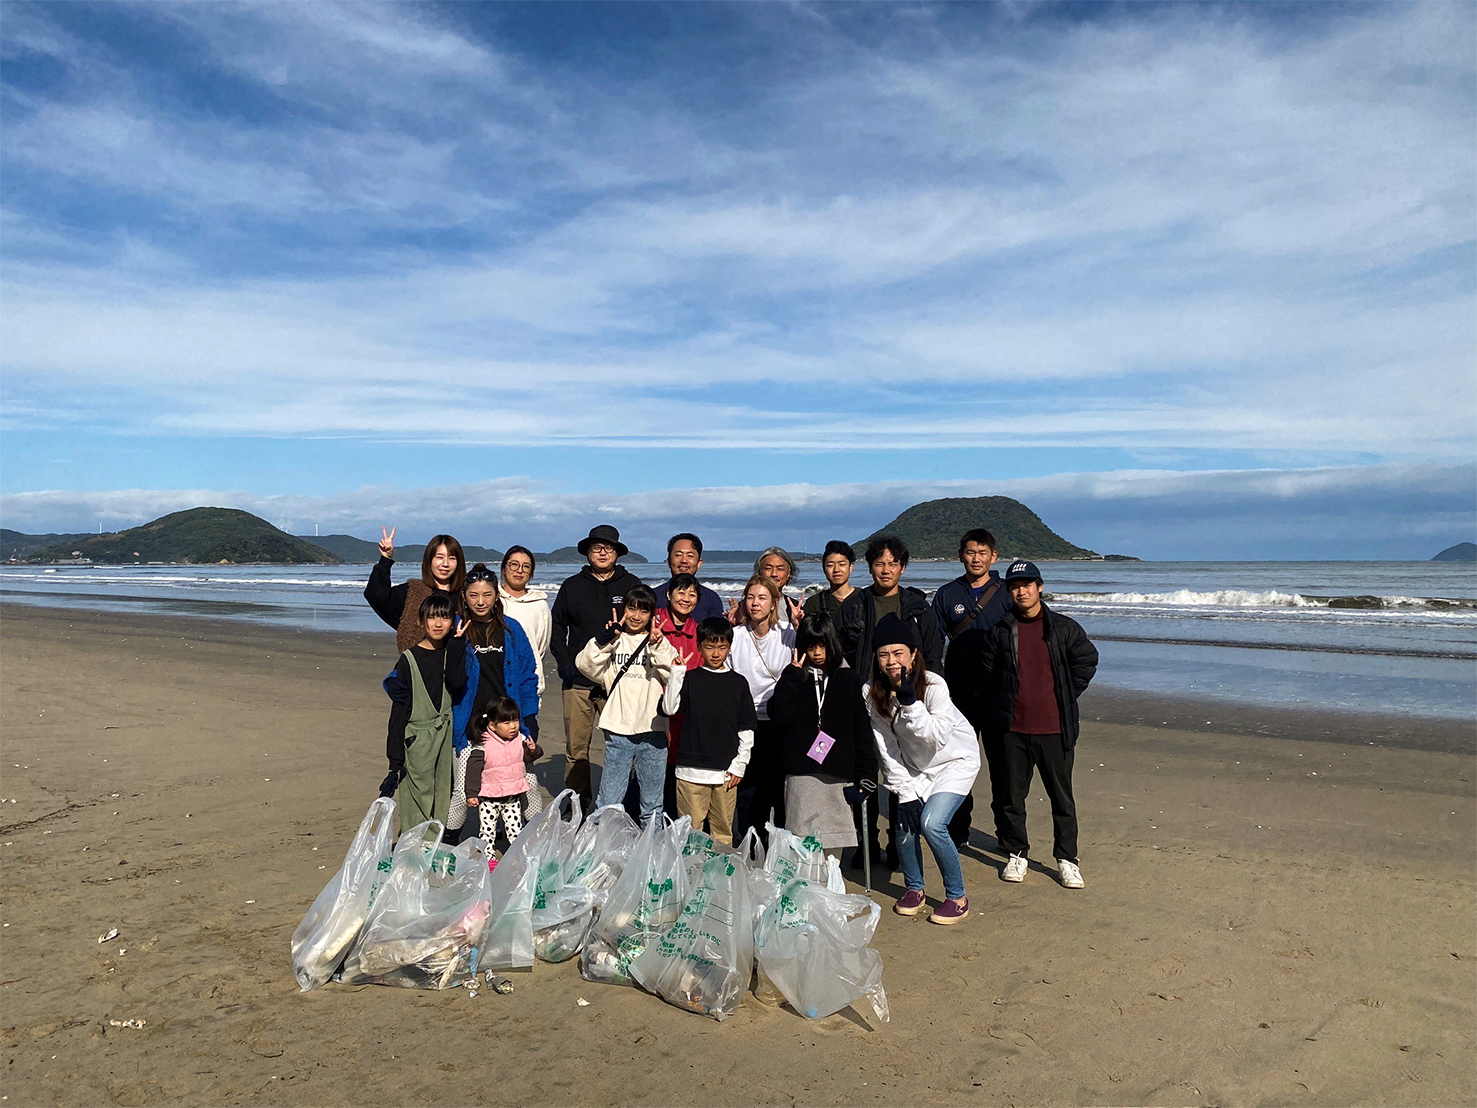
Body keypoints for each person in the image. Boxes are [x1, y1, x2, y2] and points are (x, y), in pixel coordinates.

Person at [975, 560, 1099, 889]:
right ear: (1010, 591)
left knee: (1062, 799)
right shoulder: (1001, 631)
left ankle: (1067, 859)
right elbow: (986, 676)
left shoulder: (1063, 627)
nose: (1022, 590)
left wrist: (1065, 693)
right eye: (1016, 586)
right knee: (1011, 797)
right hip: (1013, 729)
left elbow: (1087, 659)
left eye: (1028, 584)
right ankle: (1017, 853)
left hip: (1056, 729)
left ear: (1040, 587)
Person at [864, 614, 979, 924]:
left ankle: (957, 896)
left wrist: (910, 702)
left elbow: (934, 739)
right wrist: (905, 792)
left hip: (955, 761)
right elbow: (886, 747)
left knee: (931, 823)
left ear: (913, 654)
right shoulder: (871, 692)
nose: (891, 661)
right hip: (915, 767)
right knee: (904, 820)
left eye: (898, 652)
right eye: (884, 653)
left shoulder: (933, 685)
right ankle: (915, 889)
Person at [837, 535, 944, 867]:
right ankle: (866, 845)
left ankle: (900, 845)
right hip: (865, 701)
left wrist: (926, 697)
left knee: (904, 774)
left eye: (892, 563)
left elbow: (933, 653)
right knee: (865, 772)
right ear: (869, 567)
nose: (886, 570)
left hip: (906, 702)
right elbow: (837, 654)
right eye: (879, 563)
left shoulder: (916, 607)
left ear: (902, 567)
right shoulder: (854, 605)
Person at [550, 525, 644, 810]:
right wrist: (565, 664)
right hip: (578, 682)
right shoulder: (572, 586)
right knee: (577, 750)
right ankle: (577, 805)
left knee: (623, 749)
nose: (602, 552)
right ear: (588, 553)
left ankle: (618, 806)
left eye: (608, 548)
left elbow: (644, 626)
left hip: (619, 681)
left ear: (617, 553)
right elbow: (556, 627)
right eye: (596, 548)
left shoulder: (631, 584)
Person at [447, 563, 540, 843]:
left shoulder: (511, 630)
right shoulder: (457, 628)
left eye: (487, 594)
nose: (480, 602)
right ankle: (449, 841)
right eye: (474, 595)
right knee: (464, 792)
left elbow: (527, 675)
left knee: (527, 785)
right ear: (464, 596)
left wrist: (528, 719)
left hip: (508, 725)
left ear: (496, 595)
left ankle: (536, 838)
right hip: (470, 725)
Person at [767, 613, 875, 858]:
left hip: (837, 771)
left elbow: (861, 728)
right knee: (800, 843)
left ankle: (831, 892)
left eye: (823, 645)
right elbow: (778, 716)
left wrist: (867, 773)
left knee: (834, 845)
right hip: (801, 770)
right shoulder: (795, 676)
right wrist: (792, 678)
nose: (817, 652)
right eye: (811, 645)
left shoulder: (847, 678)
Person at [935, 528, 1016, 850]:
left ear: (994, 557)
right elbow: (932, 643)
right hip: (959, 692)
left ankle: (1010, 840)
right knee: (959, 764)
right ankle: (958, 832)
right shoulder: (947, 594)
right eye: (970, 552)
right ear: (961, 555)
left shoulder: (1008, 592)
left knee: (1005, 769)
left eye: (983, 553)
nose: (976, 558)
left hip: (1000, 694)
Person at [577, 584, 677, 822]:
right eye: (631, 608)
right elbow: (585, 665)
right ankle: (600, 849)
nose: (636, 616)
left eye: (643, 611)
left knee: (652, 805)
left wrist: (657, 646)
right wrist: (604, 640)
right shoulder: (615, 640)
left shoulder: (658, 642)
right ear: (624, 609)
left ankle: (650, 852)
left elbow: (673, 676)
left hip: (653, 729)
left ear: (652, 614)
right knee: (609, 801)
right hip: (618, 728)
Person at [660, 618, 757, 845]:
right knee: (690, 833)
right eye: (710, 647)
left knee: (722, 833)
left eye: (722, 647)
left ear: (729, 647)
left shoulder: (738, 683)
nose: (716, 653)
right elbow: (669, 708)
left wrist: (739, 765)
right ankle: (690, 876)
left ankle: (717, 878)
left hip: (726, 772)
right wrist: (676, 673)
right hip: (690, 771)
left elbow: (746, 728)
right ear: (700, 646)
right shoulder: (690, 679)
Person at [379, 592, 468, 832]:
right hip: (416, 738)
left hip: (445, 737)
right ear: (420, 621)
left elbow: (457, 682)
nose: (438, 624)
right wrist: (394, 763)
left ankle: (432, 853)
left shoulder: (454, 651)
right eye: (432, 618)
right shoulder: (409, 660)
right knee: (416, 799)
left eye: (445, 618)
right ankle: (411, 854)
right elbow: (398, 712)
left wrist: (458, 643)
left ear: (453, 621)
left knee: (442, 797)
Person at [727, 575, 797, 844]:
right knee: (746, 789)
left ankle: (779, 846)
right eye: (751, 597)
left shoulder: (788, 635)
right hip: (746, 722)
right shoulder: (735, 636)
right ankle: (747, 843)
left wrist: (801, 628)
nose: (755, 603)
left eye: (762, 598)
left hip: (778, 723)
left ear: (773, 603)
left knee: (778, 789)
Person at [364, 528, 467, 652]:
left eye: (452, 558)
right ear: (429, 560)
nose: (445, 563)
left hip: (457, 666)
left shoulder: (466, 595)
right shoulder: (413, 592)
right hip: (418, 666)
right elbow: (375, 594)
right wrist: (386, 559)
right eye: (439, 557)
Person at [654, 574, 703, 816]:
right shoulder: (653, 625)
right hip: (654, 710)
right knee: (651, 772)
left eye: (692, 594)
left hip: (686, 713)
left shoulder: (699, 632)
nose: (686, 599)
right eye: (680, 593)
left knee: (679, 773)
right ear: (668, 595)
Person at [464, 699, 542, 850]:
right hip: (489, 798)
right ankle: (489, 861)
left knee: (515, 831)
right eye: (506, 722)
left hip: (512, 796)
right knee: (487, 832)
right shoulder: (483, 744)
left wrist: (533, 750)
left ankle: (518, 856)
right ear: (492, 725)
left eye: (515, 720)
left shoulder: (520, 739)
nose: (513, 726)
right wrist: (471, 794)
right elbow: (473, 771)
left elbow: (525, 758)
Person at [499, 546, 552, 715]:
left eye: (526, 566)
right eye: (514, 564)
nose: (519, 571)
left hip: (528, 687)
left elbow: (541, 647)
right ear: (504, 568)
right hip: (496, 685)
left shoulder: (540, 605)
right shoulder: (492, 600)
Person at [652, 533, 725, 622]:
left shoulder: (711, 599)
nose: (684, 560)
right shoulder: (653, 596)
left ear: (699, 563)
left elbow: (718, 633)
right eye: (678, 555)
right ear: (668, 561)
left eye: (690, 556)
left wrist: (735, 623)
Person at [735, 546, 804, 629]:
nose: (774, 574)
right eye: (768, 568)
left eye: (780, 569)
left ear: (789, 574)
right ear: (759, 572)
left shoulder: (795, 607)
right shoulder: (747, 606)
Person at [802, 540, 857, 619]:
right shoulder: (814, 603)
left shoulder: (864, 598)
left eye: (842, 564)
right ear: (824, 569)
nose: (836, 570)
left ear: (851, 567)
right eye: (830, 565)